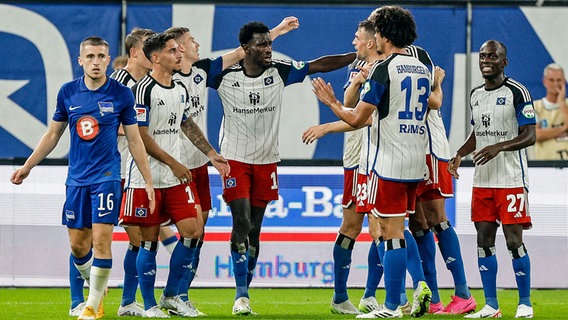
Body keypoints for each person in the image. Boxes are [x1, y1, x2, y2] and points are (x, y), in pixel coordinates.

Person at [209, 21, 355, 315]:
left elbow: (320, 65)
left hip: (266, 160)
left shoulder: (279, 71)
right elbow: (190, 70)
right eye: (261, 45)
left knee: (255, 228)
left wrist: (357, 57)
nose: (268, 49)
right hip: (234, 159)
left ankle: (245, 286)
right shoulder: (222, 75)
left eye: (269, 43)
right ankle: (241, 294)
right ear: (245, 49)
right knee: (241, 221)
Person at [10, 36, 155, 320]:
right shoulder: (68, 93)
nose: (96, 62)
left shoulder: (121, 94)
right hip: (76, 178)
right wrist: (28, 166)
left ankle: (91, 306)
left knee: (102, 241)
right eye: (90, 57)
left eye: (101, 56)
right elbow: (53, 134)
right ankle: (96, 289)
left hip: (107, 176)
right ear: (81, 61)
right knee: (79, 245)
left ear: (107, 58)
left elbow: (136, 141)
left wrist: (147, 180)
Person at [163, 17, 299, 314]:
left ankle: (180, 296)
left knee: (198, 233)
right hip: (171, 165)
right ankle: (146, 299)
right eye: (191, 41)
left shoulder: (204, 71)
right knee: (151, 235)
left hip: (199, 164)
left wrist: (275, 32)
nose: (197, 44)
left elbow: (244, 51)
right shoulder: (163, 80)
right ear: (176, 49)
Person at [312, 6, 431, 318]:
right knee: (396, 229)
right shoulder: (420, 67)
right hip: (415, 159)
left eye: (377, 31)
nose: (373, 36)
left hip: (387, 160)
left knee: (389, 232)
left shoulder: (383, 69)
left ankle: (391, 305)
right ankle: (399, 296)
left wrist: (332, 104)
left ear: (385, 35)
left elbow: (357, 117)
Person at [119, 32, 229, 318]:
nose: (178, 54)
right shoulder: (142, 90)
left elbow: (186, 122)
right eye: (171, 51)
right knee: (148, 241)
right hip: (145, 178)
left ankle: (171, 295)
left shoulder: (180, 87)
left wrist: (210, 153)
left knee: (193, 232)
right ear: (156, 58)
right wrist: (174, 164)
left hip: (174, 177)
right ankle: (149, 305)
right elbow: (141, 137)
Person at [448, 40, 536, 319]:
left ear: (504, 62)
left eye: (493, 56)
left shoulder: (517, 92)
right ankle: (491, 305)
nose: (486, 60)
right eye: (483, 56)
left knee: (513, 241)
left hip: (510, 179)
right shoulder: (475, 95)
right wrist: (461, 153)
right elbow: (477, 135)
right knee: (484, 240)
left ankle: (524, 303)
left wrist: (498, 147)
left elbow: (530, 135)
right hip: (482, 181)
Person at [302, 19, 382, 315]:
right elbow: (351, 109)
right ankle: (340, 297)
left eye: (357, 38)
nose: (353, 43)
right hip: (356, 159)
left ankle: (373, 295)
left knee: (382, 228)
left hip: (380, 159)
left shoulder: (387, 69)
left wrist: (325, 127)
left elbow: (367, 118)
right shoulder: (358, 69)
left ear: (371, 41)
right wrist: (358, 82)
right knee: (353, 226)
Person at [109, 27, 179, 317]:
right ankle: (91, 300)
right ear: (136, 52)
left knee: (138, 240)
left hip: (137, 169)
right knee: (126, 239)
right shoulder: (120, 83)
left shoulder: (147, 84)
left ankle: (128, 301)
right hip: (120, 171)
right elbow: (109, 125)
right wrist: (136, 132)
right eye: (148, 48)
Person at [532, 63, 568, 160]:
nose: (555, 84)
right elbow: (536, 135)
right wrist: (563, 128)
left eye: (559, 80)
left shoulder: (566, 105)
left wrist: (561, 103)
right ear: (545, 81)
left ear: (564, 81)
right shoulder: (535, 107)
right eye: (551, 80)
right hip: (546, 168)